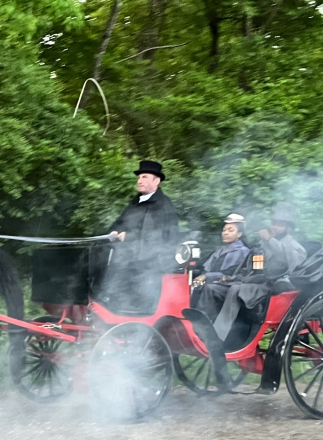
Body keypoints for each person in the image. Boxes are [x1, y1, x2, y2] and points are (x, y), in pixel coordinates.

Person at [185, 202, 306, 391]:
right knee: (213, 288)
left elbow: (290, 263)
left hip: (272, 287)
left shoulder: (295, 247)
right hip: (249, 282)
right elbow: (249, 267)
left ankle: (217, 337)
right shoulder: (262, 244)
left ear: (289, 228)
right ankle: (202, 326)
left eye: (280, 224)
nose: (275, 227)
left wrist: (270, 240)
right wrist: (226, 278)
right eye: (274, 223)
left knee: (235, 290)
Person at [98, 160, 179, 311]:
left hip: (149, 264)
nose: (139, 181)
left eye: (144, 177)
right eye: (139, 177)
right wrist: (114, 231)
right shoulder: (135, 202)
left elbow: (160, 236)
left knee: (135, 296)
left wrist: (129, 237)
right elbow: (121, 222)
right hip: (126, 259)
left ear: (156, 180)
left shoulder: (163, 205)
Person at [190, 213, 250, 311]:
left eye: (230, 230)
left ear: (239, 234)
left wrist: (207, 276)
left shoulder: (243, 251)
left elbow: (232, 273)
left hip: (231, 286)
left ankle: (203, 320)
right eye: (224, 230)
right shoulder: (218, 251)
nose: (225, 233)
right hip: (214, 283)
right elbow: (205, 268)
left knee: (209, 288)